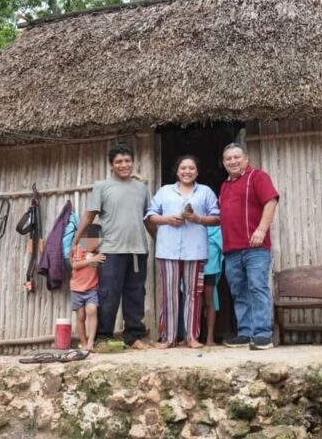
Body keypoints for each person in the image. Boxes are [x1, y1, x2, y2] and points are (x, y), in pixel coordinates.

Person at [72, 144, 152, 350]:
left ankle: (133, 336)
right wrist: (76, 242)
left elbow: (147, 219)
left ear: (133, 163)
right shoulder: (102, 186)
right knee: (108, 294)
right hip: (110, 250)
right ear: (111, 165)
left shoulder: (142, 188)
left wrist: (159, 240)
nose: (124, 165)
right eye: (119, 162)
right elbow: (90, 215)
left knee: (135, 294)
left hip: (137, 249)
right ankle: (102, 337)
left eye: (127, 161)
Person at [146, 155, 220, 349]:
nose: (187, 171)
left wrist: (197, 218)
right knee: (169, 294)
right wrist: (167, 219)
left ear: (197, 171)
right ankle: (168, 338)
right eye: (183, 168)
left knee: (193, 294)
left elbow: (217, 218)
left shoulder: (205, 192)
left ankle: (191, 337)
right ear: (177, 171)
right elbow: (150, 215)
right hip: (168, 249)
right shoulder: (164, 191)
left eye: (191, 168)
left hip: (195, 250)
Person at [219, 143, 279, 350]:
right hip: (232, 250)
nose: (233, 161)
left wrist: (261, 230)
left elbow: (271, 201)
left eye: (237, 157)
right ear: (223, 163)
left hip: (255, 247)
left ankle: (263, 334)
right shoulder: (225, 185)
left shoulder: (258, 177)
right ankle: (245, 332)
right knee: (239, 291)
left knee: (257, 287)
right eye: (228, 159)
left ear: (246, 159)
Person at [70, 227, 104, 351]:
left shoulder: (98, 253)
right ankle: (83, 343)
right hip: (77, 289)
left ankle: (90, 343)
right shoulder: (80, 249)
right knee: (81, 316)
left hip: (91, 289)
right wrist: (92, 260)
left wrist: (96, 258)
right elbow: (75, 265)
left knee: (92, 310)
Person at [203, 225, 223, 346]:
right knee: (191, 303)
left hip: (210, 269)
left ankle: (209, 338)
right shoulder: (193, 226)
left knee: (209, 302)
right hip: (193, 266)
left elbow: (222, 248)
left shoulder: (216, 228)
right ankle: (188, 336)